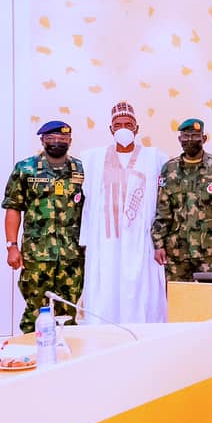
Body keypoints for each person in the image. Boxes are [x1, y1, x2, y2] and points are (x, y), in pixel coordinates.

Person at [80, 101, 167, 323]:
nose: (123, 128)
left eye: (128, 124)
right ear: (110, 129)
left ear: (137, 128)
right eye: (118, 125)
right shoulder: (92, 159)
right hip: (105, 241)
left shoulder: (155, 158)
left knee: (138, 289)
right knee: (106, 286)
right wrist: (85, 239)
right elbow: (85, 202)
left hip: (141, 239)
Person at [3, 121, 84, 332]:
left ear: (70, 141)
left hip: (72, 255)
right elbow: (13, 208)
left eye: (62, 138)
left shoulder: (80, 170)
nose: (57, 142)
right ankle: (34, 357)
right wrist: (11, 246)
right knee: (35, 312)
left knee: (68, 313)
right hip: (37, 254)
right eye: (51, 138)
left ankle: (69, 360)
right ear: (42, 140)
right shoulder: (25, 168)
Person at [151, 118, 212, 282]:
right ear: (180, 139)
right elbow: (163, 210)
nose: (190, 140)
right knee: (178, 303)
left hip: (211, 251)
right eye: (185, 136)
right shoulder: (169, 169)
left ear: (204, 138)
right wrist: (158, 244)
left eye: (195, 136)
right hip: (177, 251)